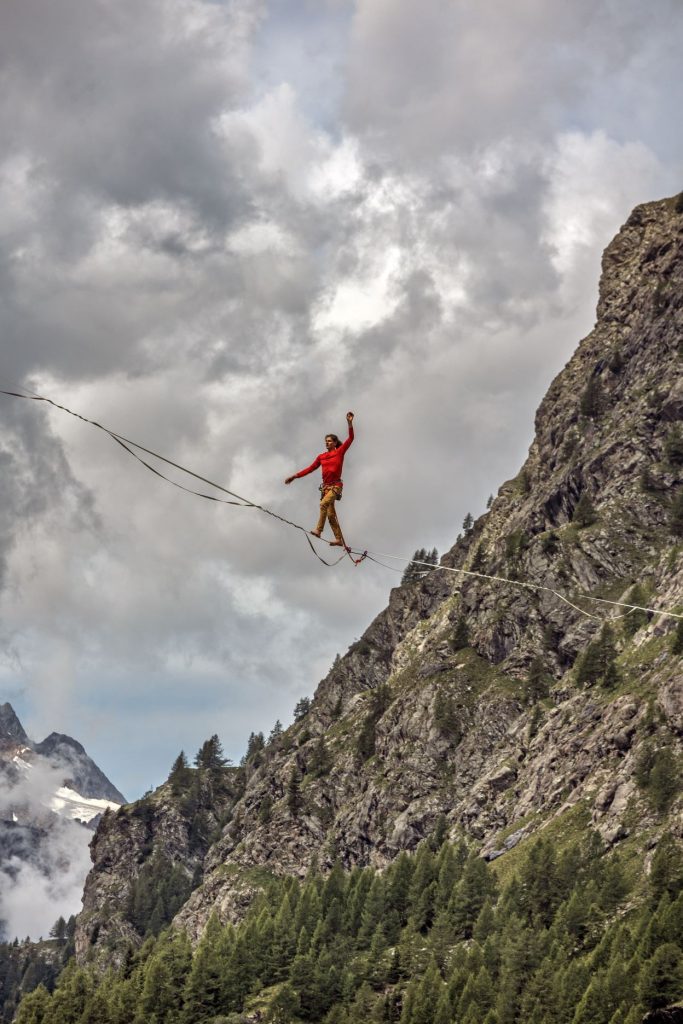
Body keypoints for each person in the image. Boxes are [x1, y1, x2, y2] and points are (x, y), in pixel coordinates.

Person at [285, 412, 355, 546]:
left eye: (329, 441)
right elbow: (310, 468)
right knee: (330, 515)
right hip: (326, 488)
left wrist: (349, 423)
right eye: (326, 441)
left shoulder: (339, 452)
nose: (326, 443)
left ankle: (318, 530)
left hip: (336, 486)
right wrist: (295, 476)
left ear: (335, 443)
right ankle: (339, 539)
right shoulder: (321, 457)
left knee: (323, 504)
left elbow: (351, 438)